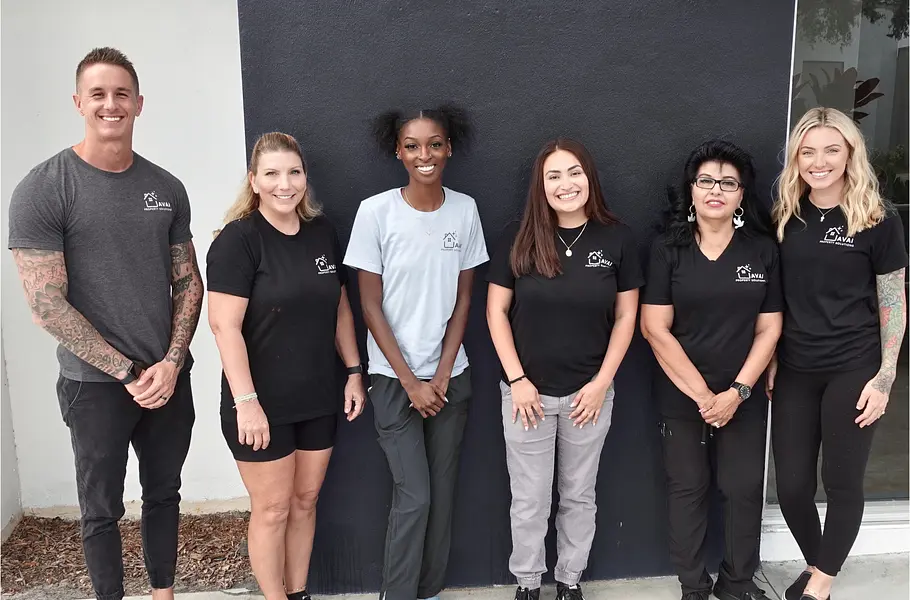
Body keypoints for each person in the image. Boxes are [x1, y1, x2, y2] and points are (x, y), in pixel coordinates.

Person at [7, 47, 203, 600]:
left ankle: (163, 594)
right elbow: (47, 304)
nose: (110, 104)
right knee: (101, 510)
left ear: (139, 103)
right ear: (78, 103)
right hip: (94, 385)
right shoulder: (44, 188)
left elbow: (188, 281)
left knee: (164, 495)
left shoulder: (166, 188)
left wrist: (171, 363)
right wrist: (127, 372)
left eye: (121, 93)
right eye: (98, 94)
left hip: (167, 378)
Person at [206, 132, 366, 600]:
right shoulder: (238, 241)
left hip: (317, 395)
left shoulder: (322, 232)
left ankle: (298, 593)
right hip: (261, 404)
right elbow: (224, 327)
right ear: (254, 181)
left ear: (305, 177)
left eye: (294, 172)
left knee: (305, 501)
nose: (285, 184)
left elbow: (340, 307)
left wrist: (353, 371)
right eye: (272, 174)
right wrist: (246, 403)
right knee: (272, 509)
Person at [486, 139, 643, 600]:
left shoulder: (617, 239)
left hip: (588, 396)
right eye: (553, 176)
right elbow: (496, 312)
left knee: (579, 495)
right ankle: (528, 583)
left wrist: (601, 384)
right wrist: (518, 380)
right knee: (529, 499)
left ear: (589, 177)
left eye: (574, 172)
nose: (565, 184)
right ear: (541, 185)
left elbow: (627, 317)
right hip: (526, 397)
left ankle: (570, 581)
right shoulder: (518, 236)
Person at [343, 105, 488, 600]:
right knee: (415, 497)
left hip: (451, 379)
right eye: (412, 146)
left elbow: (464, 300)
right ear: (398, 152)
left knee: (442, 497)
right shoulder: (375, 212)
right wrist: (411, 382)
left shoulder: (465, 210)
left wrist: (442, 376)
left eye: (434, 144)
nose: (424, 155)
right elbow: (369, 305)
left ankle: (429, 590)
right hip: (392, 381)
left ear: (449, 149)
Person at [768, 107, 907, 600]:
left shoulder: (877, 218)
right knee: (790, 488)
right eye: (808, 152)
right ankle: (817, 565)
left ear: (850, 154)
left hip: (853, 366)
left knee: (842, 481)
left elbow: (893, 301)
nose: (819, 161)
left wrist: (885, 376)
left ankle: (820, 586)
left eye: (831, 150)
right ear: (796, 158)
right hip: (796, 368)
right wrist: (772, 360)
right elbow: (776, 298)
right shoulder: (785, 216)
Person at [640, 141, 783, 600]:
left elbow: (770, 328)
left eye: (727, 183)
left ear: (741, 195)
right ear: (691, 189)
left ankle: (737, 584)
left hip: (742, 395)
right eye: (706, 181)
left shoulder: (762, 251)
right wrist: (705, 397)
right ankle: (694, 587)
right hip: (683, 396)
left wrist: (737, 392)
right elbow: (654, 328)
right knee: (688, 490)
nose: (715, 190)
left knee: (742, 490)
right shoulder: (667, 250)